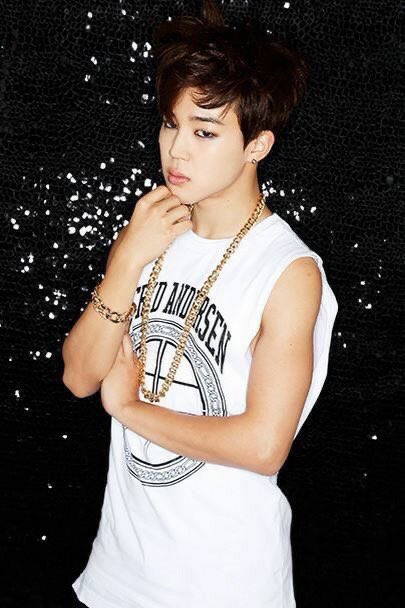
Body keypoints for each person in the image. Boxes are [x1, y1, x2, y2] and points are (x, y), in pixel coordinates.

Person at [63, 1, 338, 606]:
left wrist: (128, 408)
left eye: (205, 132)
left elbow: (264, 446)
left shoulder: (288, 270)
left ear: (257, 144)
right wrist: (126, 261)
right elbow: (80, 376)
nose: (176, 151)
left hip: (224, 585)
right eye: (171, 124)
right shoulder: (151, 230)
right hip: (118, 575)